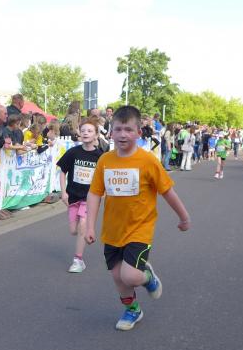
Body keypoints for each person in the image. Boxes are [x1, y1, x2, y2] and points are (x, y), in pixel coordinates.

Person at [84, 106, 190, 331]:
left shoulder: (147, 161)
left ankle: (148, 277)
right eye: (118, 129)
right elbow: (94, 194)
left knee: (130, 276)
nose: (123, 135)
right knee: (117, 276)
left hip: (139, 229)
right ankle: (133, 310)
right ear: (110, 132)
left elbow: (167, 191)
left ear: (139, 132)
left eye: (129, 130)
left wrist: (184, 217)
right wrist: (90, 226)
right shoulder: (105, 160)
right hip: (112, 230)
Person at [58, 117, 103, 272]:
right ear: (79, 133)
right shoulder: (73, 152)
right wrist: (63, 192)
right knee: (73, 230)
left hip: (90, 197)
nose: (86, 133)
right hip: (73, 196)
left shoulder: (100, 156)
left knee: (83, 224)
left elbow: (105, 177)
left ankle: (78, 260)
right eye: (83, 130)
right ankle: (82, 235)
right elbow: (62, 171)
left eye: (90, 131)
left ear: (96, 134)